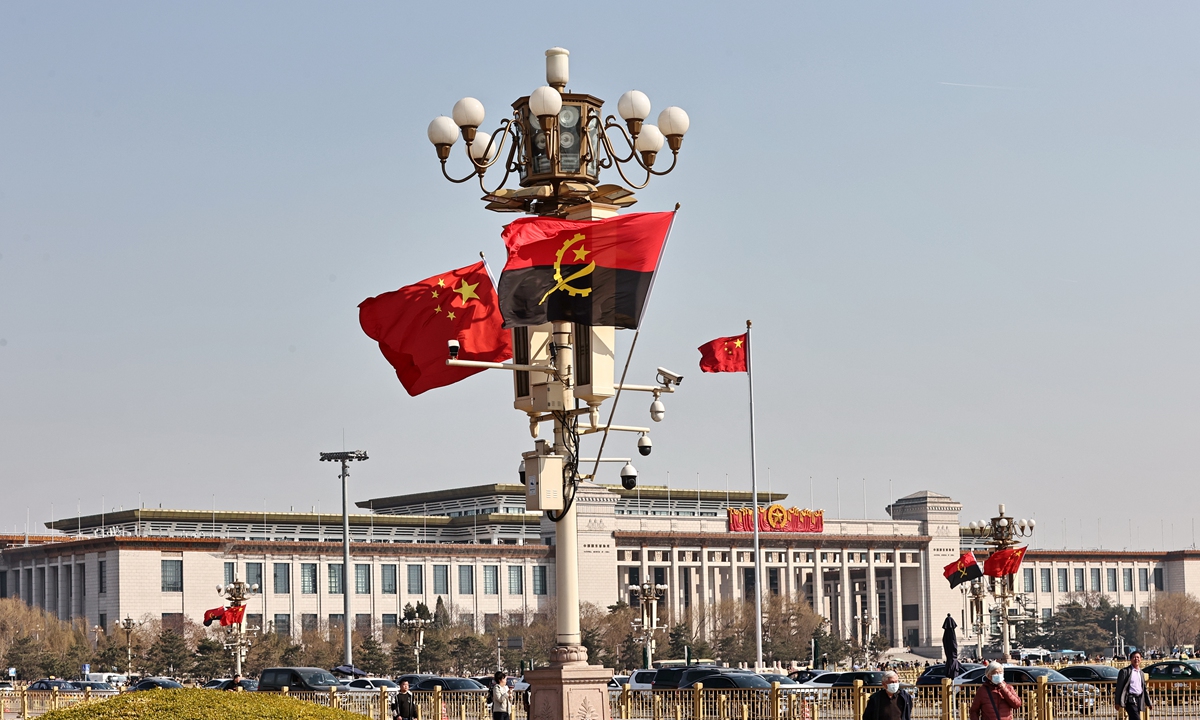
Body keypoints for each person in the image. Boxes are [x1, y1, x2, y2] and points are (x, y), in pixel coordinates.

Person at [1116, 650, 1153, 720]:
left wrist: (1149, 703)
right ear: (1130, 659)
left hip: (1139, 699)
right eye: (1134, 657)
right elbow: (1119, 688)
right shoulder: (1125, 672)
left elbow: (1144, 689)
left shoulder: (1141, 673)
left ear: (1141, 659)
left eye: (1138, 657)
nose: (1136, 659)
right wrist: (1117, 702)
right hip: (1129, 699)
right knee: (1136, 718)